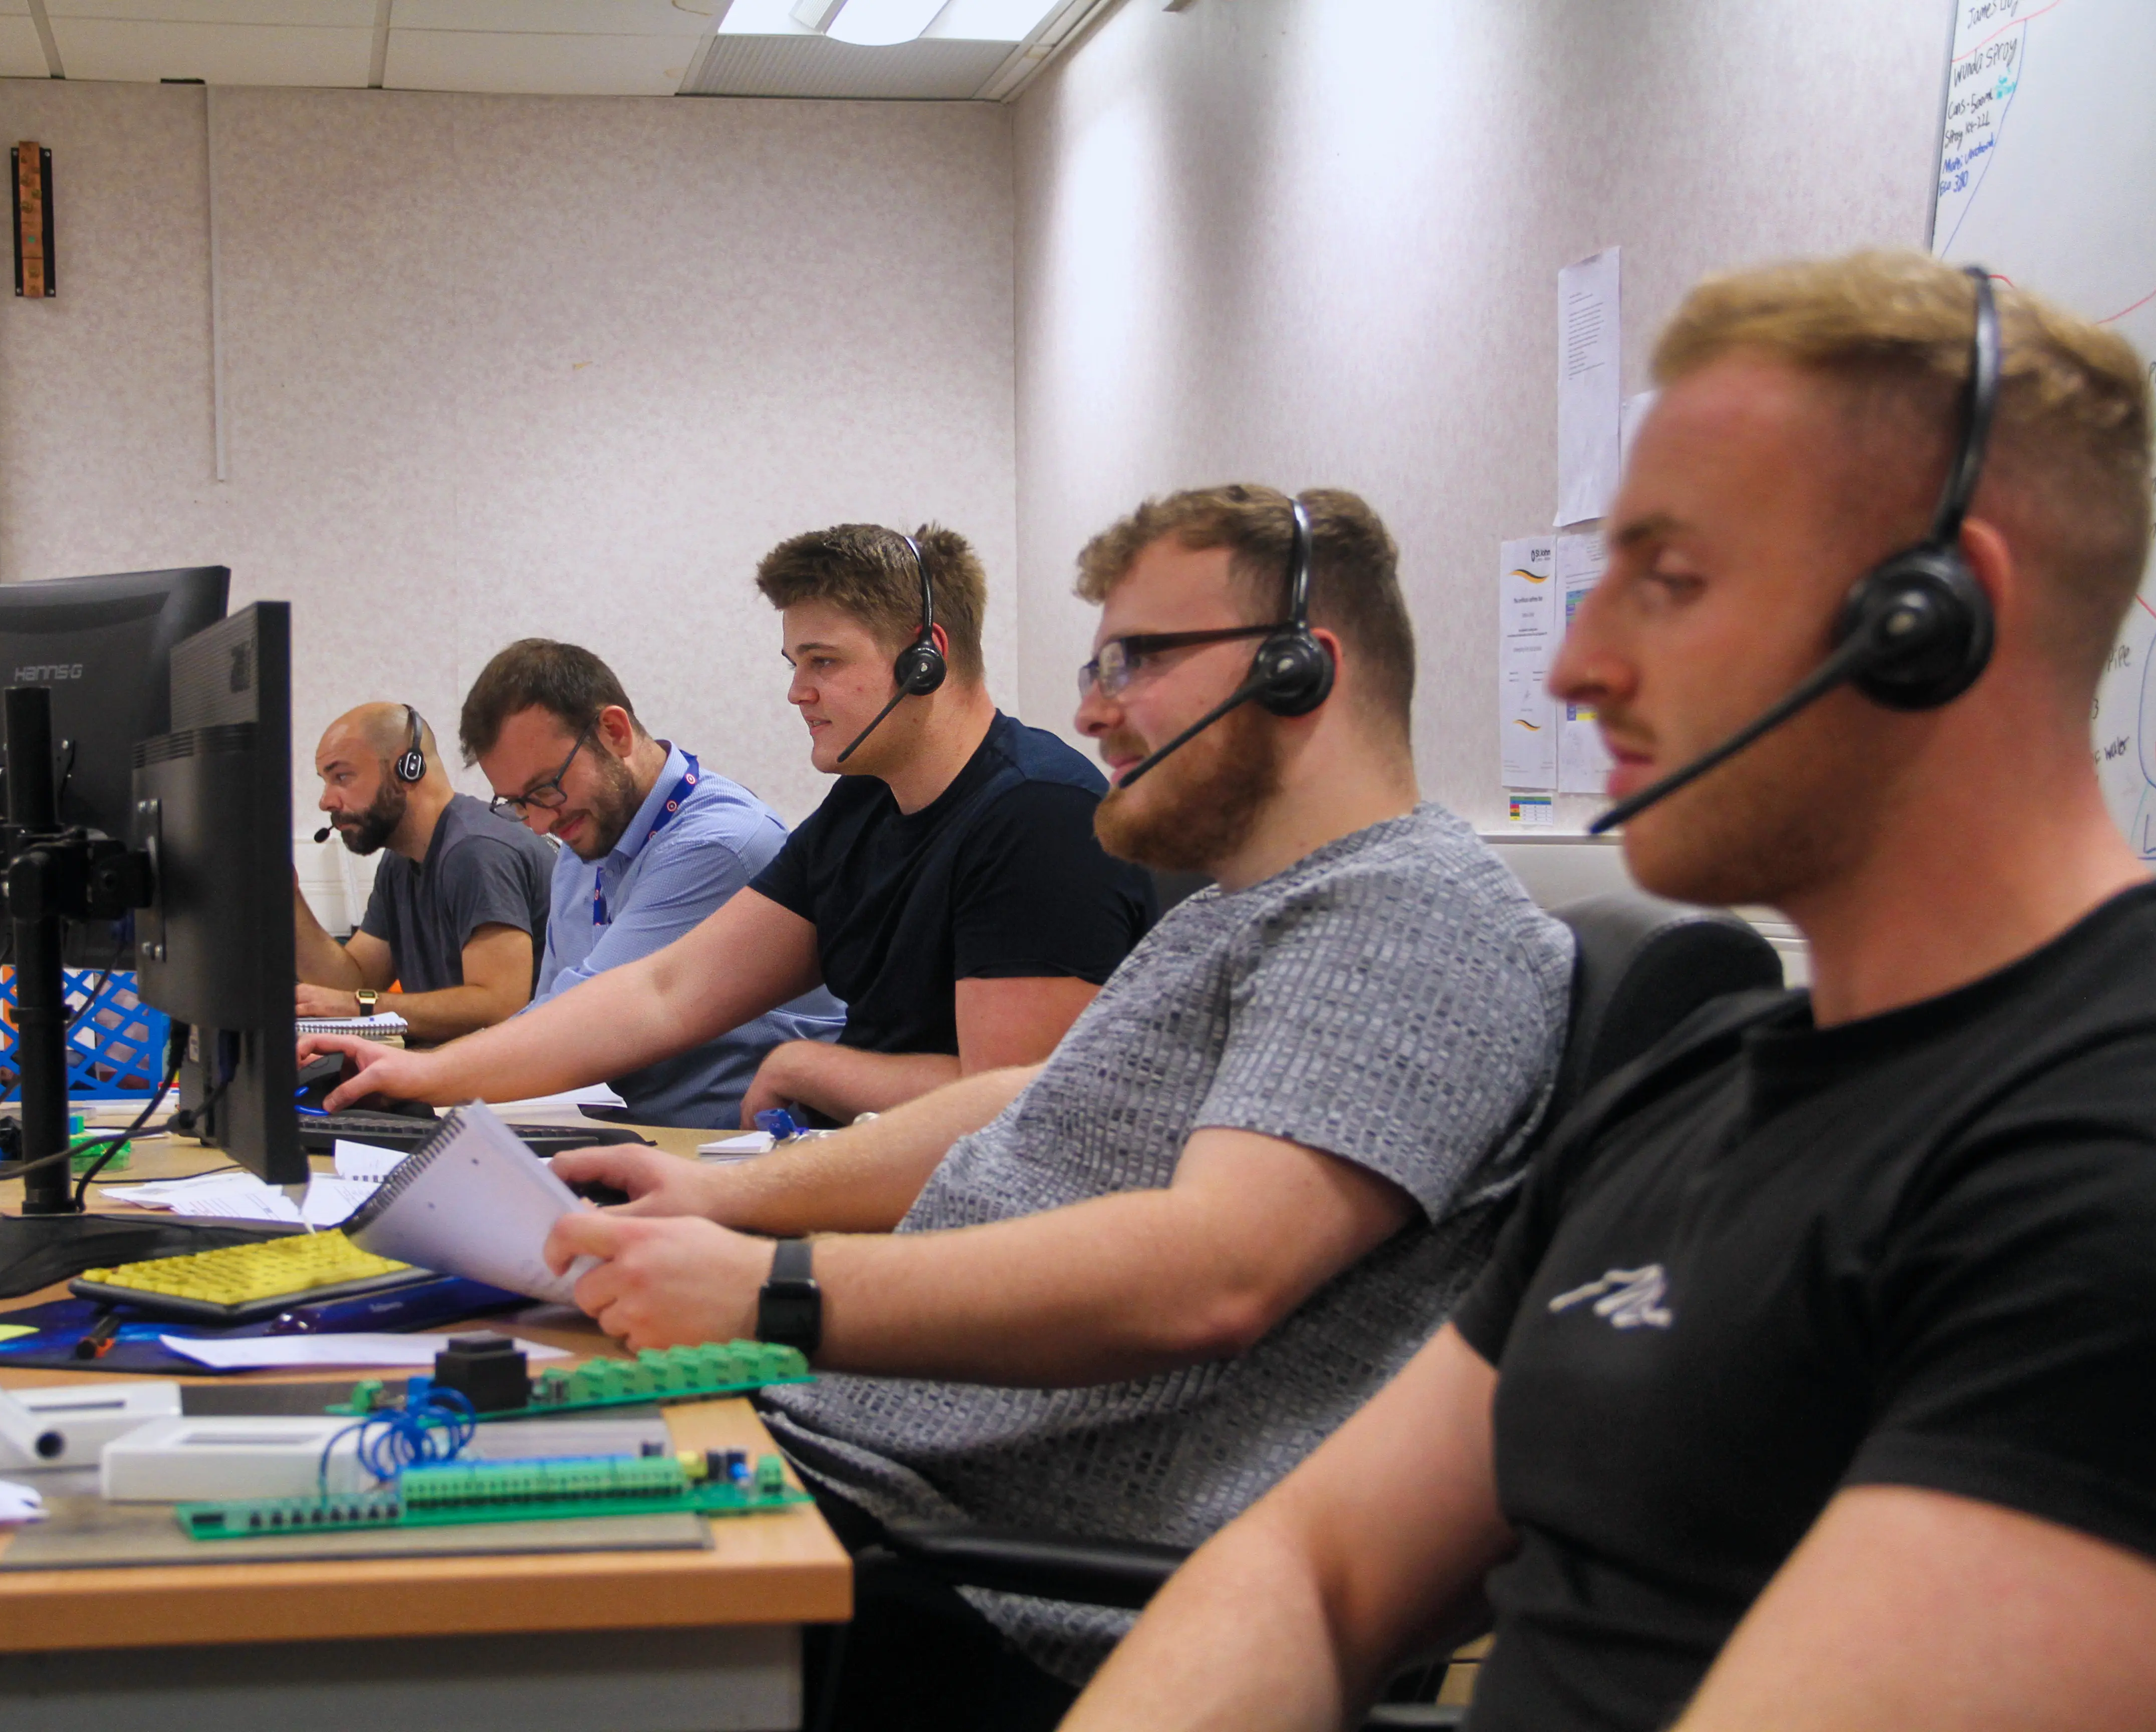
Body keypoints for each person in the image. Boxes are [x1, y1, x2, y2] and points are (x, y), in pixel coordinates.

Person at [1059, 254, 2156, 1732]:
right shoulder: (1694, 1092)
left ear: (1935, 617)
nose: (1577, 666)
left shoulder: (2149, 1164)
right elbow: (1315, 1566)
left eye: (1671, 582)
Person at [538, 486, 1575, 1729]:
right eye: (1095, 664)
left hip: (965, 1567)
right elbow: (1030, 1095)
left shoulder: (1404, 917)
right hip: (861, 1466)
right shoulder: (1236, 907)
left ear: (1303, 668)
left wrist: (773, 1287)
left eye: (1138, 659)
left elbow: (1215, 1269)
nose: (1089, 707)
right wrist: (719, 1192)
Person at [313, 524, 1158, 1123]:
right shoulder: (867, 803)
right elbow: (662, 992)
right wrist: (420, 1073)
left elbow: (1010, 1105)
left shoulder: (1034, 817)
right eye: (794, 664)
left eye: (823, 662)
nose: (797, 692)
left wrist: (804, 1067)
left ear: (924, 656)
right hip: (848, 1173)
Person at [460, 637, 846, 1128]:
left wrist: (418, 1075)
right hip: (636, 1140)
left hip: (731, 1156)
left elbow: (586, 1025)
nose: (537, 824)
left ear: (615, 732)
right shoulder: (585, 842)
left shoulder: (718, 845)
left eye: (544, 790)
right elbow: (551, 1014)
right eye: (518, 803)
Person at [294, 701, 554, 1043]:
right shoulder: (400, 861)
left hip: (529, 1086)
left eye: (342, 777)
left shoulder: (477, 851)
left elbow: (499, 1005)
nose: (326, 802)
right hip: (466, 1078)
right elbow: (354, 984)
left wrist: (359, 1009)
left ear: (408, 769)